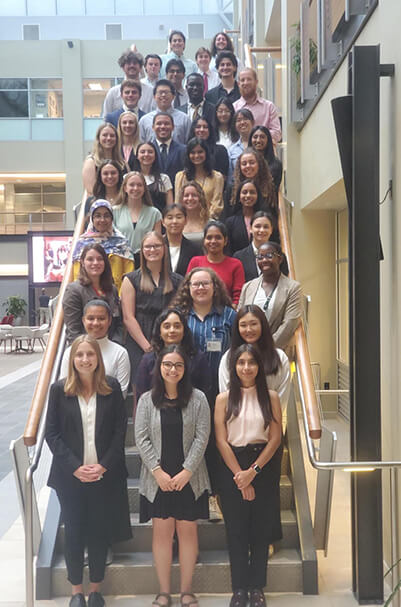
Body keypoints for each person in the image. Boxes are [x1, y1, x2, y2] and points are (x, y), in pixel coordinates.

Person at [45, 335, 131, 607]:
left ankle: (95, 590)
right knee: (74, 533)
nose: (85, 359)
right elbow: (52, 434)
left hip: (105, 475)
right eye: (79, 355)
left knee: (98, 533)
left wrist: (104, 464)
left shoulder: (112, 388)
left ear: (98, 359)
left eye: (89, 355)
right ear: (72, 359)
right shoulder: (60, 390)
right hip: (71, 478)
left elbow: (120, 432)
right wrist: (75, 467)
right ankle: (76, 593)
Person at [135, 345, 210, 607]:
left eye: (178, 365)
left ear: (185, 369)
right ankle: (164, 592)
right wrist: (158, 472)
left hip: (189, 478)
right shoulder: (146, 400)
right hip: (158, 480)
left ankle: (186, 591)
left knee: (188, 533)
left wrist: (187, 471)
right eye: (167, 364)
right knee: (162, 534)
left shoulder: (198, 398)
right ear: (158, 368)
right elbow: (141, 437)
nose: (172, 369)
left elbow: (202, 437)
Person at [214, 343, 282, 607]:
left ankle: (257, 588)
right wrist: (240, 477)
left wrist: (252, 473)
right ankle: (239, 589)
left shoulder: (271, 397)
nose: (246, 367)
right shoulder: (223, 399)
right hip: (232, 466)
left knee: (260, 531)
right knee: (237, 531)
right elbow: (221, 441)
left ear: (259, 367)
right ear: (234, 367)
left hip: (262, 464)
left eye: (251, 363)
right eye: (241, 363)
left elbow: (275, 438)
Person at [172, 267, 235, 517]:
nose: (200, 288)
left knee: (215, 446)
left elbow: (238, 353)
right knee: (190, 445)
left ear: (214, 286)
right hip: (186, 393)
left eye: (205, 284)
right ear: (188, 288)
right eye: (195, 284)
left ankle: (216, 496)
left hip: (220, 393)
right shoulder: (180, 316)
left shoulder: (229, 316)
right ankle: (192, 497)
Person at [120, 231, 182, 388]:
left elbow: (177, 313)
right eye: (148, 246)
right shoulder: (130, 279)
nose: (152, 250)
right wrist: (147, 347)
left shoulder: (177, 280)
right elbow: (128, 317)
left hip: (168, 341)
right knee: (141, 391)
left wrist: (166, 345)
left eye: (156, 246)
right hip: (139, 341)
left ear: (164, 248)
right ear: (141, 250)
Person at [218, 304, 290, 411]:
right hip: (237, 421)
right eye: (243, 325)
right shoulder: (228, 358)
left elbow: (282, 398)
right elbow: (226, 395)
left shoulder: (279, 357)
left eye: (254, 324)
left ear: (262, 325)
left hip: (270, 421)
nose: (249, 329)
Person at [238, 242, 303, 350]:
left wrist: (266, 348)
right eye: (260, 257)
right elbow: (240, 318)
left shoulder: (293, 288)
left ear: (280, 259)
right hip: (249, 350)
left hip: (276, 351)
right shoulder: (248, 286)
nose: (264, 260)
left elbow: (289, 323)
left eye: (269, 256)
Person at [60, 300, 130, 398]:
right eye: (91, 318)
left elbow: (122, 393)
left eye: (101, 318)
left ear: (109, 321)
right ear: (83, 320)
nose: (96, 323)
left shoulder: (120, 353)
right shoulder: (70, 352)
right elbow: (64, 388)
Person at [136, 308, 210, 400]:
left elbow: (206, 393)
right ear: (160, 332)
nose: (172, 330)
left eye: (177, 326)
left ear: (184, 331)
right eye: (167, 326)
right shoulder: (148, 360)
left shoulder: (198, 358)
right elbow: (141, 396)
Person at [63, 243, 121, 345]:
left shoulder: (112, 289)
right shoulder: (73, 290)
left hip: (111, 348)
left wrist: (115, 347)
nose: (95, 263)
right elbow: (73, 331)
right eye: (90, 259)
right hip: (87, 351)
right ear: (82, 262)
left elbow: (118, 323)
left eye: (100, 259)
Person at [71, 199, 134, 292]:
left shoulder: (121, 243)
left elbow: (129, 276)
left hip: (116, 298)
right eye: (97, 216)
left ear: (112, 219)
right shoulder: (82, 244)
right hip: (87, 298)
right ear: (92, 219)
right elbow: (77, 276)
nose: (102, 220)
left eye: (107, 216)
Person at [186, 220, 245, 306]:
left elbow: (238, 296)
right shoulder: (195, 262)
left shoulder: (235, 264)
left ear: (225, 241)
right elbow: (187, 289)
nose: (213, 241)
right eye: (209, 238)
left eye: (218, 237)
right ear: (204, 240)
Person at [112, 171, 162, 263]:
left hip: (146, 261)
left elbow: (157, 243)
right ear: (125, 188)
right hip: (121, 261)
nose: (136, 188)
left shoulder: (155, 213)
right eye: (131, 185)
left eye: (139, 185)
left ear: (144, 188)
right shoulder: (114, 211)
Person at [175, 138, 224, 219]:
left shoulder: (217, 177)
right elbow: (178, 203)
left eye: (200, 152)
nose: (196, 156)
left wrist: (203, 219)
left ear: (206, 153)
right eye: (193, 152)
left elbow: (217, 205)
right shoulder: (180, 177)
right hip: (185, 223)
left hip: (209, 222)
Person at [234, 211, 289, 281]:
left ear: (271, 230)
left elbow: (284, 282)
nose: (262, 230)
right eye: (257, 226)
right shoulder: (239, 257)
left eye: (266, 227)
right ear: (250, 229)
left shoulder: (279, 256)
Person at [234, 67, 282, 144]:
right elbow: (232, 135)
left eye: (249, 79)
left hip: (264, 153)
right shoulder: (234, 108)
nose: (245, 83)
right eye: (242, 80)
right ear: (238, 84)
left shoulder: (269, 107)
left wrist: (258, 137)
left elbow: (277, 134)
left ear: (256, 82)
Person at [139, 80, 192, 145]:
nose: (163, 95)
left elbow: (189, 145)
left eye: (166, 92)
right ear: (154, 96)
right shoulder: (144, 120)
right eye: (160, 92)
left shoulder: (184, 119)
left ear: (173, 96)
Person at [102, 49, 154, 116]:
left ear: (141, 67)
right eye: (128, 63)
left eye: (135, 63)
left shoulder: (150, 92)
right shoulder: (113, 93)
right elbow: (106, 119)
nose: (132, 66)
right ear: (122, 67)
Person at [226, 180, 266, 254]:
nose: (248, 195)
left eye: (252, 192)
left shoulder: (265, 220)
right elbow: (228, 249)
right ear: (239, 196)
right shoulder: (230, 222)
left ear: (258, 196)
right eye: (244, 192)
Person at [82, 123, 124, 195]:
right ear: (98, 138)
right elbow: (91, 191)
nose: (108, 138)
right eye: (105, 135)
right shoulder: (91, 162)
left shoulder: (122, 163)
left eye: (112, 136)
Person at [231, 148, 276, 213]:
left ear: (259, 164)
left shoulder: (269, 187)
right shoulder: (232, 189)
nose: (248, 166)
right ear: (239, 167)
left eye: (252, 163)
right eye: (244, 164)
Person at [162, 203, 202, 275]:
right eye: (170, 218)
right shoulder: (157, 246)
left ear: (186, 220)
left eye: (179, 217)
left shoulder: (195, 249)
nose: (174, 221)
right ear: (163, 222)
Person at [136, 141, 173, 212]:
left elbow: (170, 208)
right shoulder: (129, 178)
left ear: (155, 156)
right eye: (142, 152)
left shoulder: (164, 179)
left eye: (150, 152)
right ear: (137, 156)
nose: (146, 154)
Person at [151, 112, 186, 186]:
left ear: (173, 127)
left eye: (166, 123)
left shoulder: (184, 150)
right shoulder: (147, 150)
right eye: (159, 124)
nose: (163, 127)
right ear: (153, 127)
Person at [249, 125, 283, 193]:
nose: (258, 140)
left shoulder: (276, 164)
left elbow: (276, 190)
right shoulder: (245, 162)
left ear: (268, 140)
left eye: (262, 137)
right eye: (255, 137)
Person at [178, 181, 209, 248]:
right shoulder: (176, 223)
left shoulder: (210, 223)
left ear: (200, 198)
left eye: (194, 195)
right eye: (186, 195)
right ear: (181, 199)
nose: (190, 198)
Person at [228, 109, 255, 183]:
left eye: (245, 119)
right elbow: (230, 177)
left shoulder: (259, 145)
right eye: (239, 120)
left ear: (252, 122)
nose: (242, 122)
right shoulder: (231, 150)